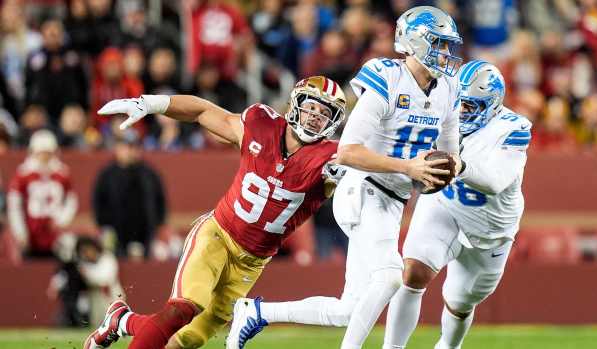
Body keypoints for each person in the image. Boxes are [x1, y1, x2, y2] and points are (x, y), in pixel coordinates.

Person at [227, 6, 463, 349]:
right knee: (389, 279)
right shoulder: (387, 78)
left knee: (348, 310)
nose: (445, 53)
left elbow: (451, 154)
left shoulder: (449, 90)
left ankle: (257, 313)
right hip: (362, 187)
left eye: (447, 45)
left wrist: (451, 168)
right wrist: (410, 168)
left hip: (393, 199)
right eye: (438, 44)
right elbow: (347, 152)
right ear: (413, 42)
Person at [83, 76, 353, 349]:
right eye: (312, 107)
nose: (315, 117)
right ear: (296, 103)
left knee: (187, 339)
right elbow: (203, 111)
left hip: (252, 262)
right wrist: (152, 103)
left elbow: (365, 166)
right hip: (219, 235)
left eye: (325, 113)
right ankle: (122, 320)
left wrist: (360, 173)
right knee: (184, 308)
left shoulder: (333, 158)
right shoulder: (261, 125)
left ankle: (122, 320)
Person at [383, 61, 531, 349]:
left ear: (492, 103)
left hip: (490, 229)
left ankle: (449, 346)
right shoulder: (438, 109)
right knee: (413, 272)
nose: (460, 111)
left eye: (470, 106)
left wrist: (459, 164)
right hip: (444, 207)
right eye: (458, 104)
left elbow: (495, 181)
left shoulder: (514, 128)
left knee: (460, 301)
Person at [92, 130, 166, 259]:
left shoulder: (148, 174)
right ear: (117, 148)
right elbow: (99, 202)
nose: (131, 151)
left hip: (146, 233)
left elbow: (160, 200)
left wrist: (157, 225)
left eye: (135, 147)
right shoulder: (107, 174)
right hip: (116, 233)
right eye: (127, 146)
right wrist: (104, 225)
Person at [7, 129, 78, 258]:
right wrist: (20, 232)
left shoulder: (62, 173)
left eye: (48, 153)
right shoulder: (23, 175)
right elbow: (14, 206)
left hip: (54, 233)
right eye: (41, 153)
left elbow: (71, 200)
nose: (44, 157)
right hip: (31, 233)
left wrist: (62, 219)